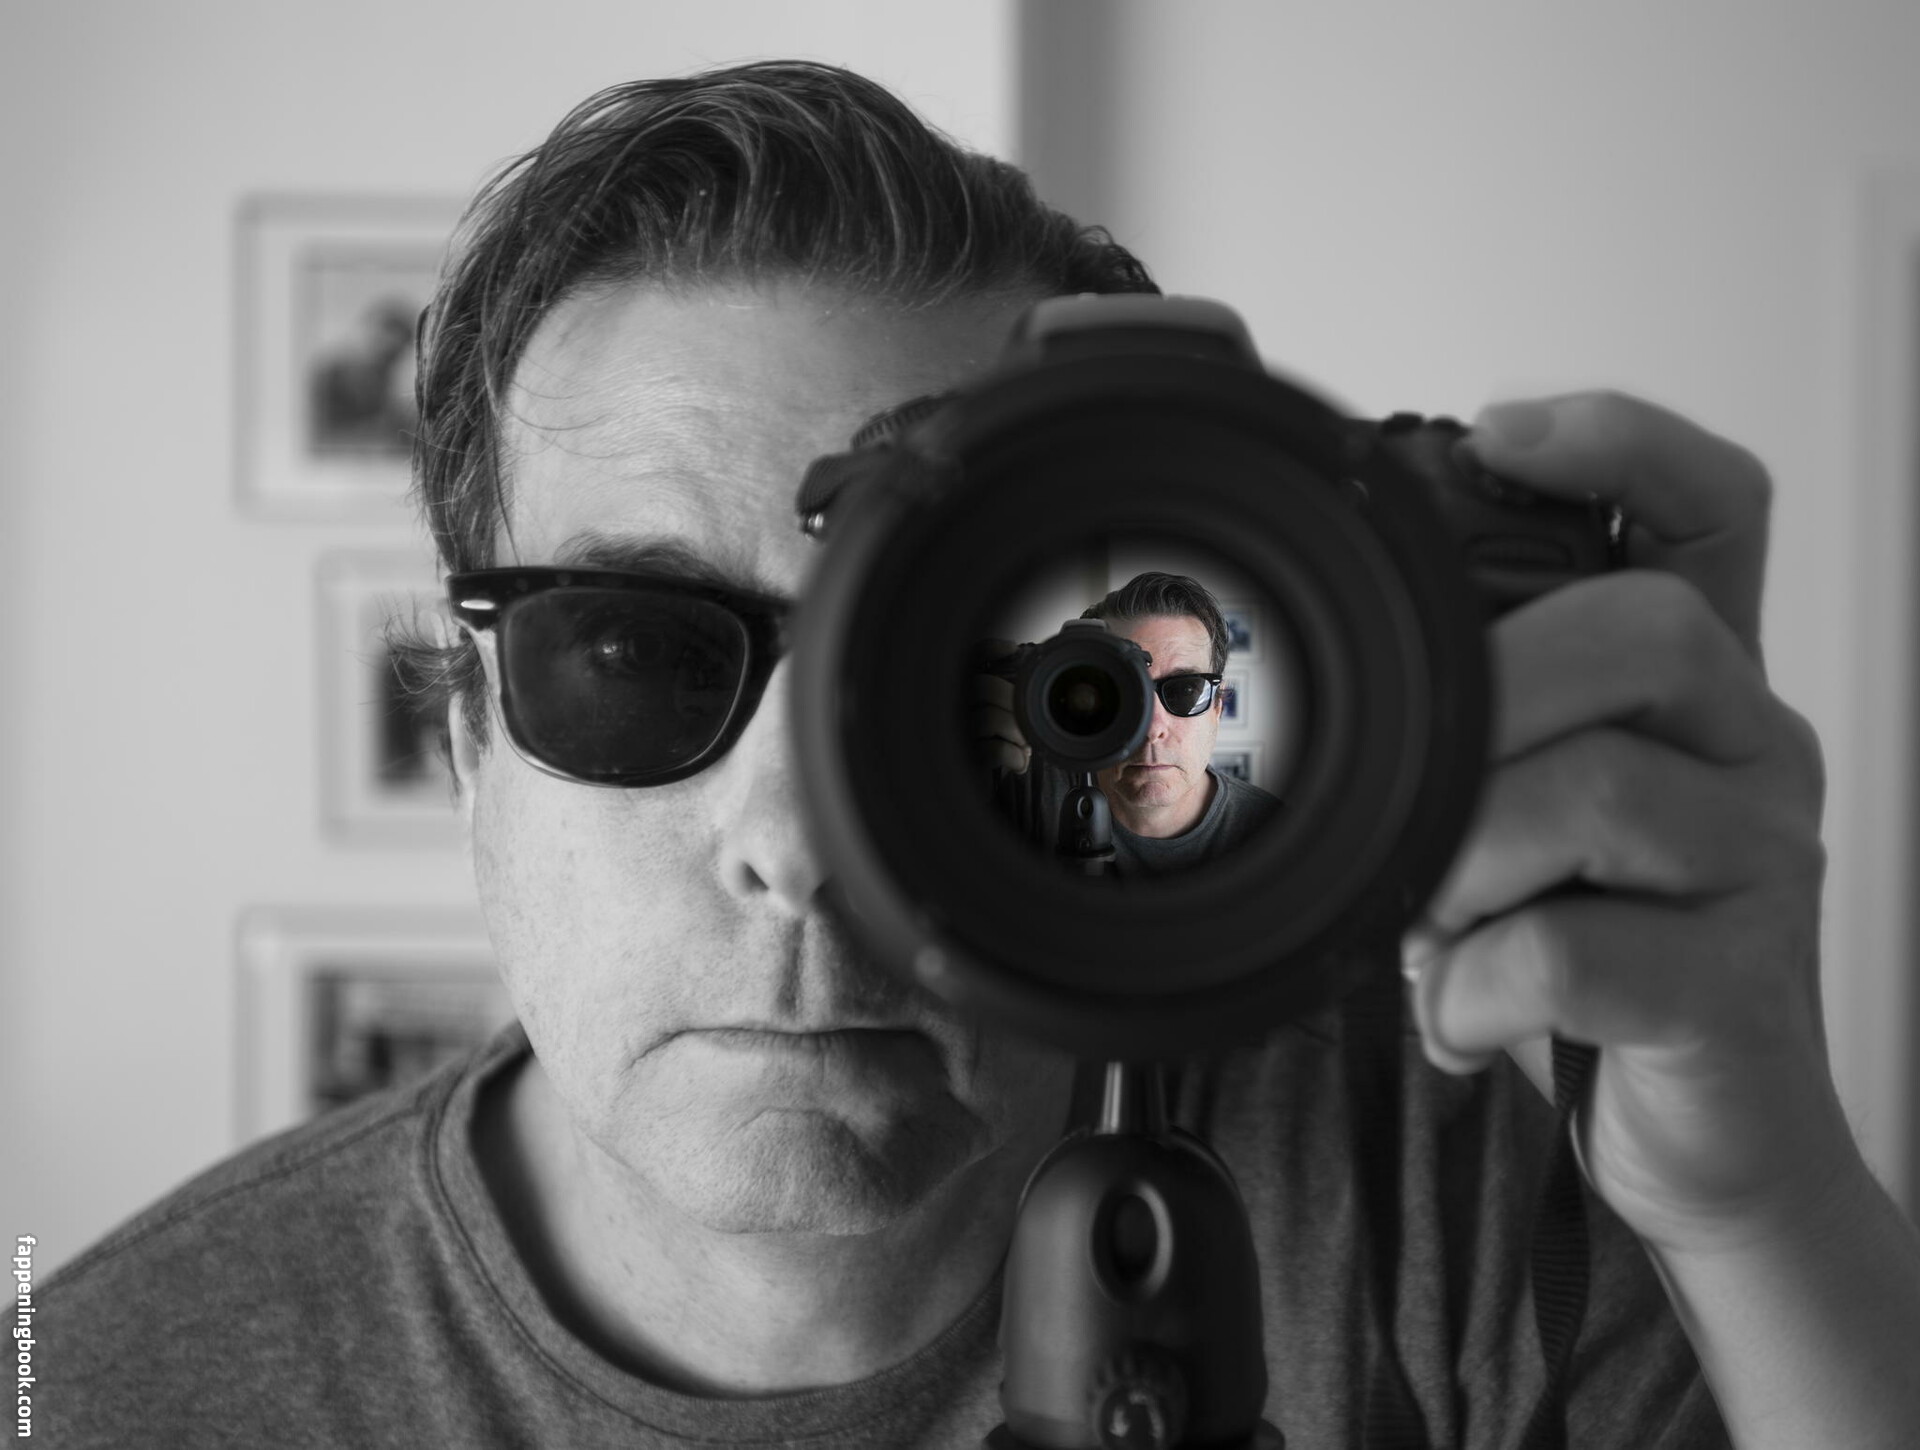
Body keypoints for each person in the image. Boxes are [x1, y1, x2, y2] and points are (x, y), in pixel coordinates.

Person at [39, 60, 1920, 1449]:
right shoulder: (118, 1386)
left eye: (964, 668)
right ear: (470, 752)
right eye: (631, 654)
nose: (796, 839)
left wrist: (1761, 1204)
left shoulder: (1443, 1179)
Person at [983, 570, 1282, 873]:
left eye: (1185, 691)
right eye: (1121, 693)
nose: (1152, 730)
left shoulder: (1274, 834)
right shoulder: (1013, 782)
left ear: (1218, 707)